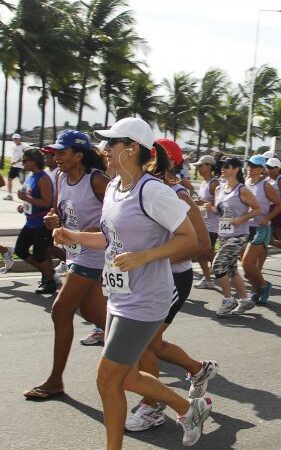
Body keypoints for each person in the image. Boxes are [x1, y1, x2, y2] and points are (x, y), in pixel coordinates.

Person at [52, 117, 211, 448]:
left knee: (107, 380)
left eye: (111, 143)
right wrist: (74, 236)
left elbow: (191, 239)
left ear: (132, 149)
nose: (105, 150)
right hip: (119, 295)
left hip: (146, 300)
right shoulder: (112, 187)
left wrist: (146, 256)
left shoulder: (152, 191)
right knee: (127, 377)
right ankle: (188, 407)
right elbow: (110, 240)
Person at [126, 138, 218, 432]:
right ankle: (197, 368)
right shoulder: (142, 189)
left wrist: (156, 258)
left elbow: (203, 245)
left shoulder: (178, 194)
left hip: (173, 277)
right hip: (147, 276)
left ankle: (151, 406)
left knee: (142, 343)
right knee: (150, 342)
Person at [23, 131, 109, 400]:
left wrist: (92, 230)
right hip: (74, 254)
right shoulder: (60, 177)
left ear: (79, 155)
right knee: (96, 315)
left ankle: (55, 381)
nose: (56, 157)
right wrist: (53, 219)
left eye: (62, 152)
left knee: (60, 311)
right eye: (55, 153)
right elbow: (60, 211)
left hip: (93, 256)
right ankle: (152, 345)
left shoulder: (97, 181)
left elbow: (119, 217)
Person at [210, 157, 261, 316]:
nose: (222, 169)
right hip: (224, 234)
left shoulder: (242, 190)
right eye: (221, 166)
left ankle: (228, 299)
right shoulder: (219, 189)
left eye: (227, 166)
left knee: (217, 266)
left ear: (236, 169)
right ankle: (245, 300)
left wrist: (242, 218)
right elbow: (221, 212)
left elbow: (257, 209)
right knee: (231, 269)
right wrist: (209, 208)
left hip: (239, 235)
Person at [239, 155, 281, 310]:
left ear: (260, 169)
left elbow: (279, 204)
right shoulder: (244, 183)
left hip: (261, 228)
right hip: (245, 227)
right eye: (249, 165)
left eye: (253, 166)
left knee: (247, 262)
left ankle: (264, 286)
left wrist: (268, 218)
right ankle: (257, 290)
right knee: (247, 266)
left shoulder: (266, 186)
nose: (250, 168)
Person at [14, 149, 56, 294]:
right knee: (20, 250)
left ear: (33, 161)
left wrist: (27, 199)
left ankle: (50, 281)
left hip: (42, 223)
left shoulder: (43, 178)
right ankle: (47, 272)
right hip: (30, 221)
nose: (23, 163)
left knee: (39, 254)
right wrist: (23, 205)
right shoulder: (30, 176)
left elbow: (47, 202)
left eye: (25, 160)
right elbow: (30, 199)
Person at [192, 155, 221, 289]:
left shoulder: (214, 183)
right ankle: (208, 279)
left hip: (212, 226)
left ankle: (226, 263)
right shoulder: (204, 182)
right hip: (203, 224)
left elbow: (220, 205)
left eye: (200, 165)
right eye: (197, 166)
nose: (197, 168)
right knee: (201, 254)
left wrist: (203, 203)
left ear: (209, 166)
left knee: (205, 253)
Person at [6, 133, 26, 200]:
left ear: (19, 139)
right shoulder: (13, 146)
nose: (15, 140)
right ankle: (9, 195)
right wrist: (12, 162)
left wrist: (16, 161)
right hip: (13, 167)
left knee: (22, 182)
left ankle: (27, 196)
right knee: (9, 179)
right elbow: (14, 155)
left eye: (16, 139)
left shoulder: (23, 147)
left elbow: (24, 157)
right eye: (14, 139)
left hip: (20, 167)